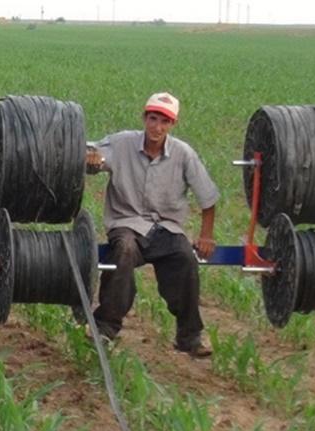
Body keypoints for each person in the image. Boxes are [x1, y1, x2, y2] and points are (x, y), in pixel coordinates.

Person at [85, 92, 219, 358]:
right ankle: (105, 326)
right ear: (144, 118)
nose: (157, 127)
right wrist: (92, 162)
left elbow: (208, 197)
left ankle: (189, 336)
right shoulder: (121, 144)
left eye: (164, 122)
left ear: (173, 125)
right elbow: (93, 156)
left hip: (166, 228)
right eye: (153, 118)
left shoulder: (183, 154)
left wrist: (206, 236)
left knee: (184, 258)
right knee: (122, 251)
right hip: (127, 223)